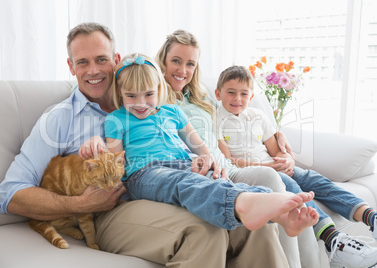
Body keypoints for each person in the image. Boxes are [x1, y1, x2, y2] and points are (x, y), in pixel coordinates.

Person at [0, 22, 290, 268]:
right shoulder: (59, 118)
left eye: (101, 59)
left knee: (256, 227)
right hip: (116, 207)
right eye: (82, 62)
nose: (93, 70)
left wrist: (203, 158)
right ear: (71, 67)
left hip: (173, 179)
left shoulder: (153, 102)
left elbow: (176, 142)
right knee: (203, 230)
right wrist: (79, 204)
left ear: (117, 60)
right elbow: (12, 193)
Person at [95, 52, 318, 236]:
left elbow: (198, 145)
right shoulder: (116, 119)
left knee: (216, 177)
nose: (141, 103)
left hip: (183, 163)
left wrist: (206, 158)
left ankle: (280, 217)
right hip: (144, 173)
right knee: (184, 181)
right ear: (120, 94)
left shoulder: (172, 111)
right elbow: (117, 163)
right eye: (131, 96)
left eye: (149, 94)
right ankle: (243, 204)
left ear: (159, 91)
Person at [155, 29, 321, 268]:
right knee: (270, 177)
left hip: (229, 167)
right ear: (164, 61)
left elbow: (236, 110)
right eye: (176, 61)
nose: (183, 71)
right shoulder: (156, 99)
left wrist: (276, 132)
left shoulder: (201, 98)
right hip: (205, 172)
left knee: (292, 191)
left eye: (190, 63)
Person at [215, 65, 377, 268]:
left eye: (244, 94)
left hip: (273, 166)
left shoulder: (258, 116)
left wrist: (286, 161)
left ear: (251, 95)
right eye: (231, 92)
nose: (237, 99)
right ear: (218, 93)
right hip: (252, 171)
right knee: (292, 188)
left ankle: (371, 217)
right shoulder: (216, 118)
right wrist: (269, 166)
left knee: (312, 178)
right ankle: (334, 239)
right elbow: (227, 160)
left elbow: (277, 151)